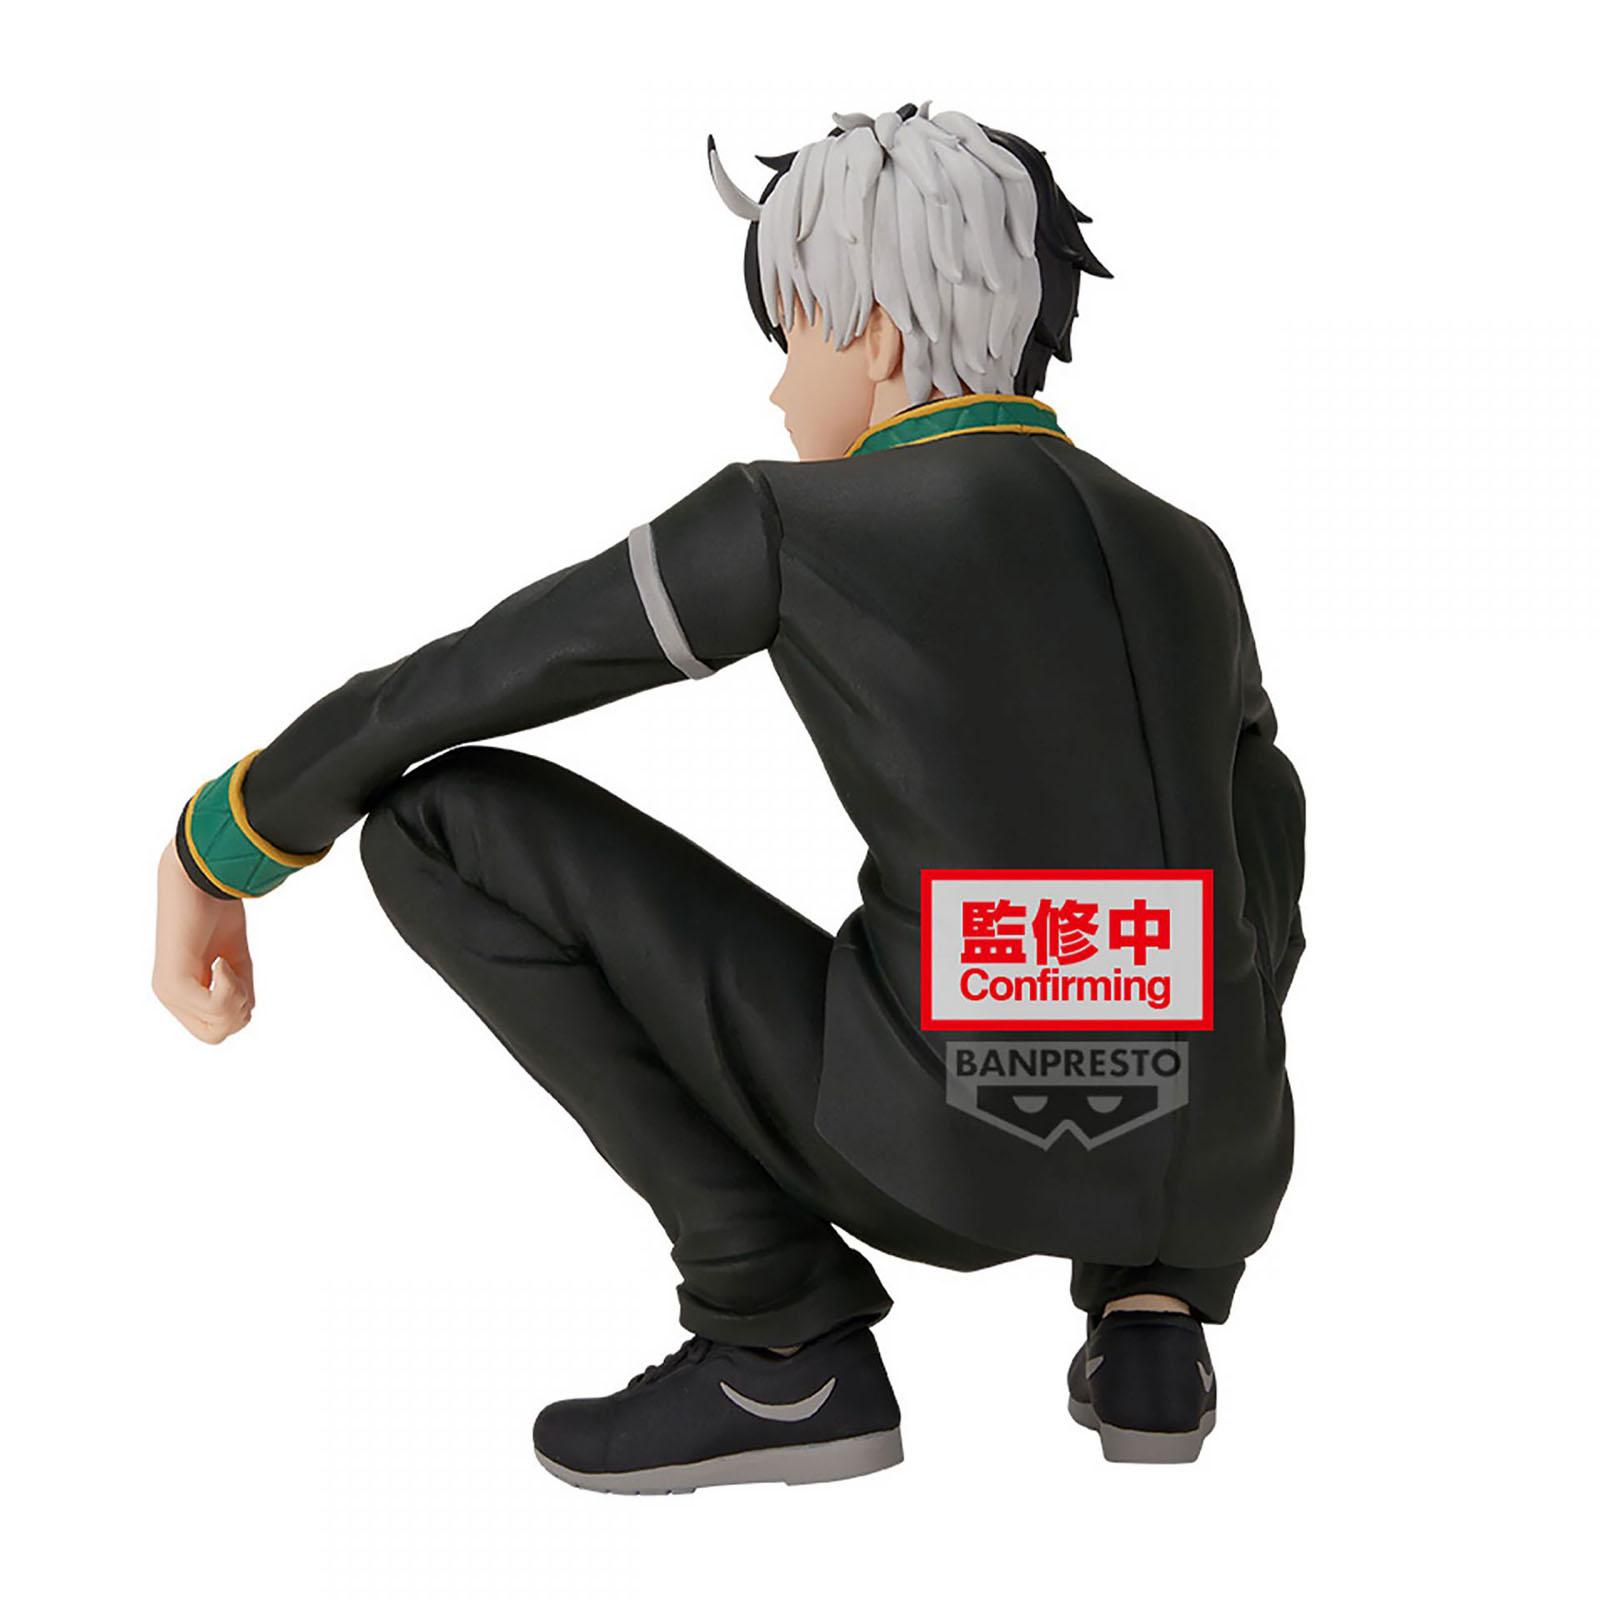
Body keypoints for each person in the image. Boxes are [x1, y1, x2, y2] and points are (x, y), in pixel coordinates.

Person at [153, 102, 1305, 1491]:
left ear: (877, 338)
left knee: (437, 824)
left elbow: (476, 678)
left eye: (794, 336)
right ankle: (1151, 1328)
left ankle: (778, 1336)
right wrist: (1180, 1187)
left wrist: (223, 841)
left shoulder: (795, 519)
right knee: (1186, 896)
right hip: (1208, 1164)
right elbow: (1270, 856)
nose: (778, 393)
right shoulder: (1188, 550)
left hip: (938, 1153)